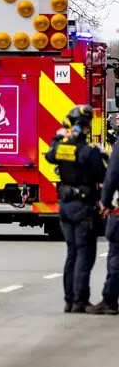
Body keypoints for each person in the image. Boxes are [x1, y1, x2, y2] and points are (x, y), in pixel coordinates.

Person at [46, 105, 112, 313]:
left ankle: (69, 300)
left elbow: (49, 156)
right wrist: (104, 157)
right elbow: (103, 175)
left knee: (72, 253)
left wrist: (58, 137)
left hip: (65, 206)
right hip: (83, 206)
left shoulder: (61, 148)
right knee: (85, 254)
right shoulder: (89, 151)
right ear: (86, 127)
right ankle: (80, 300)